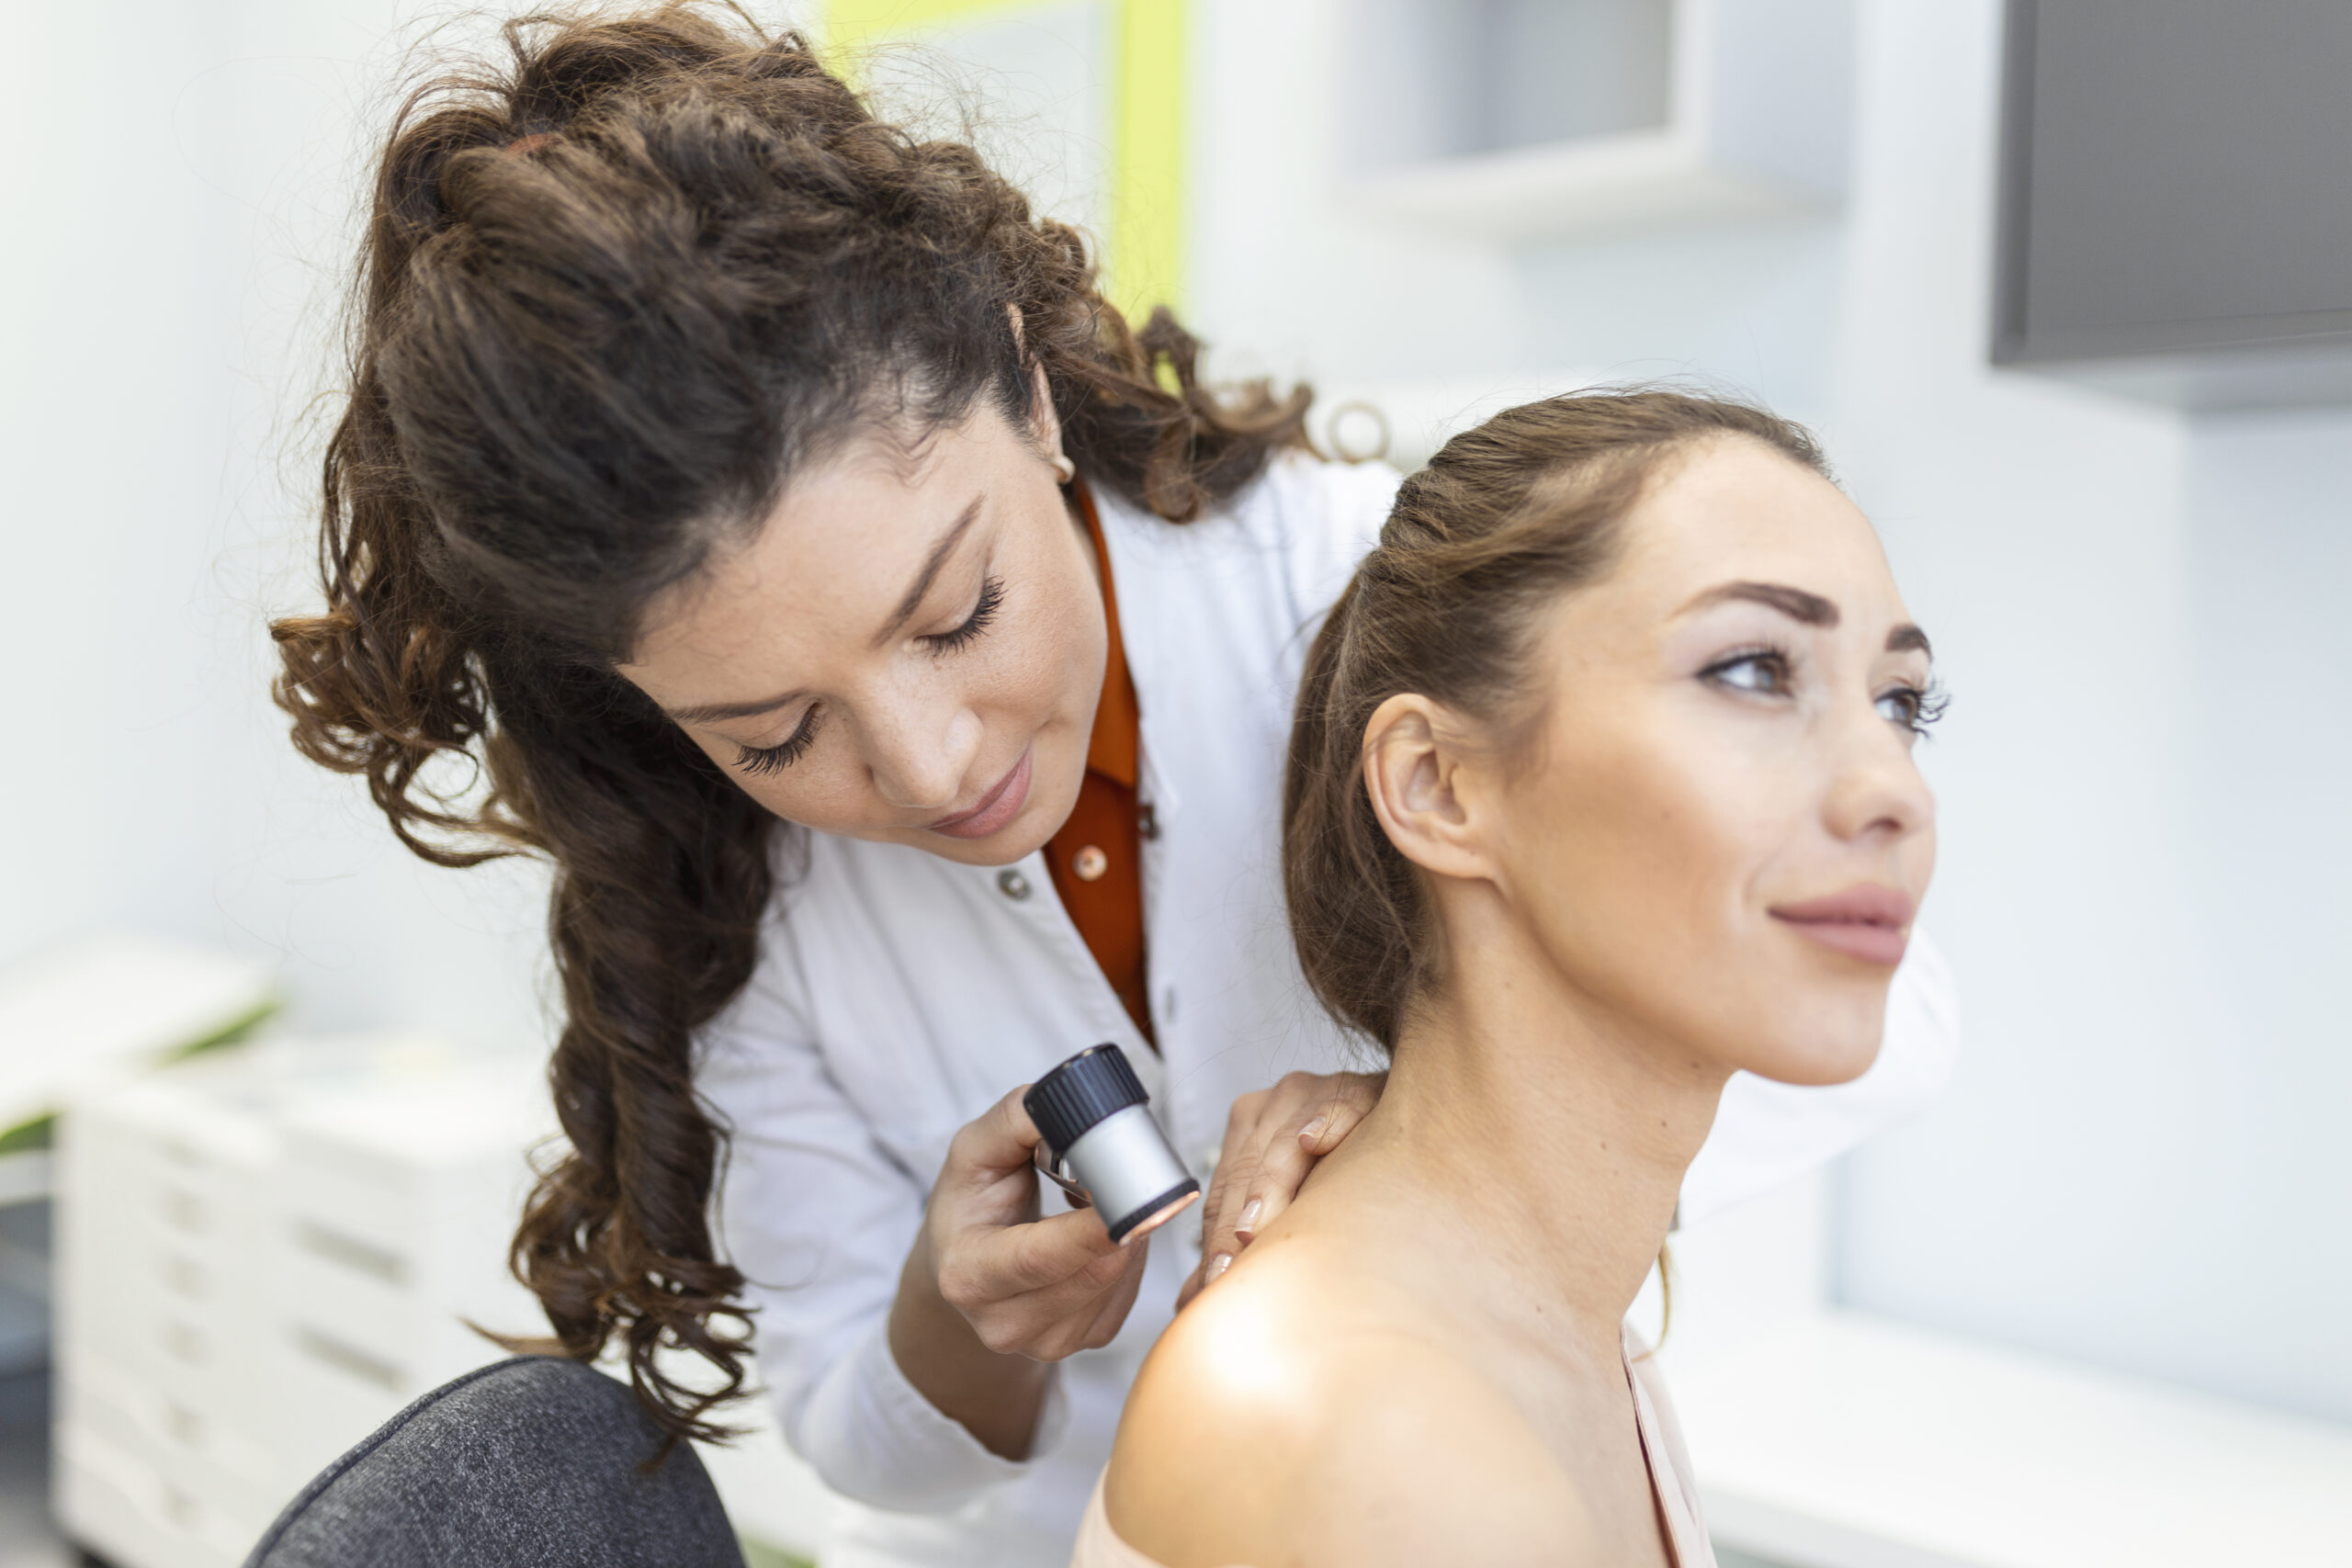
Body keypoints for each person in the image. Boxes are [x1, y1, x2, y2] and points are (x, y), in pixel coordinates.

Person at [269, 9, 1957, 1565]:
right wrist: (954, 1316)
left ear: (1024, 385)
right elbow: (862, 1439)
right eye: (778, 734)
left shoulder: (1375, 614)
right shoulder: (750, 900)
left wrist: (1445, 1140)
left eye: (960, 611)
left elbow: (1864, 989)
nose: (934, 767)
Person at [1079, 392, 1940, 1568]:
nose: (1891, 788)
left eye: (1899, 703)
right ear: (1436, 785)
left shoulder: (1558, 1328)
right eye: (1750, 670)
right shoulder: (1379, 1441)